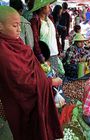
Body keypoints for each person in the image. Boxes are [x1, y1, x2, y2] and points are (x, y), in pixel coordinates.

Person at [0, 6, 63, 140]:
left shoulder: (14, 41)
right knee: (28, 131)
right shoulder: (3, 52)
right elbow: (22, 82)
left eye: (19, 25)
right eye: (15, 25)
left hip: (33, 93)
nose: (19, 29)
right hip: (21, 103)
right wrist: (49, 82)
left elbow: (28, 63)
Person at [30, 1, 60, 75]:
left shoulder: (50, 18)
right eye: (47, 6)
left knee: (55, 76)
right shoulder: (35, 21)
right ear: (41, 8)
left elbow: (55, 35)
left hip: (54, 53)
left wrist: (59, 48)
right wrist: (40, 55)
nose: (50, 8)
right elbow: (35, 40)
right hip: (44, 56)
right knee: (46, 78)